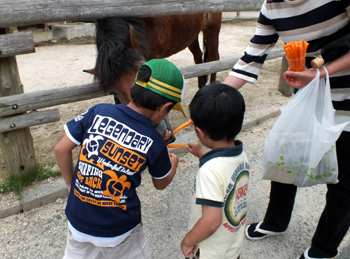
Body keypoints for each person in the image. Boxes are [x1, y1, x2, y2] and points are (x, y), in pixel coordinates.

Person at [223, 1, 350, 258]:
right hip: (308, 100)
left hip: (347, 98)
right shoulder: (271, 8)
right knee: (286, 163)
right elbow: (251, 58)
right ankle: (275, 222)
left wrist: (320, 73)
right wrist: (215, 94)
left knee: (345, 181)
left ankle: (324, 248)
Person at [54, 58, 184, 259]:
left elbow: (61, 149)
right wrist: (173, 163)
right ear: (163, 107)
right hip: (120, 230)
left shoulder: (99, 111)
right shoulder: (154, 141)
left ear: (135, 87)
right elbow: (160, 183)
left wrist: (71, 184)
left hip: (78, 220)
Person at [180, 82, 249, 259]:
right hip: (231, 246)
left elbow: (211, 221)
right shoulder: (240, 154)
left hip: (210, 252)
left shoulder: (209, 172)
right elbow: (224, 174)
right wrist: (202, 154)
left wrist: (188, 241)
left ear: (200, 132)